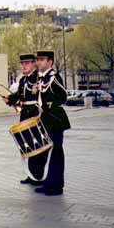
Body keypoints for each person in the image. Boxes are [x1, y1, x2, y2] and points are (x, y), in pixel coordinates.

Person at [5, 53, 47, 185]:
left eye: (27, 63)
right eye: (22, 63)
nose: (24, 66)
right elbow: (19, 96)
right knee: (27, 145)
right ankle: (31, 174)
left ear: (34, 63)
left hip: (35, 115)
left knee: (38, 145)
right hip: (25, 115)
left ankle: (39, 175)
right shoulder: (23, 80)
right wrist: (9, 99)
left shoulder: (38, 78)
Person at [34, 50, 71, 196]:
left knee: (56, 151)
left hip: (55, 119)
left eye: (42, 60)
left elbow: (63, 96)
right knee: (48, 151)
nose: (39, 62)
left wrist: (49, 105)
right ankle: (49, 182)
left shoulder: (54, 77)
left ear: (50, 62)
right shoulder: (42, 78)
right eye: (38, 59)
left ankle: (56, 185)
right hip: (46, 119)